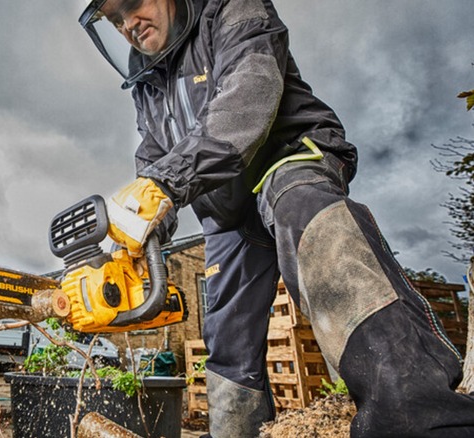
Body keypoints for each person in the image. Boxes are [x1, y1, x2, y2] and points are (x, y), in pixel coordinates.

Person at [77, 0, 474, 436]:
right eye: (115, 19)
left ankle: (417, 417)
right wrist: (137, 233)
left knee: (308, 218)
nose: (127, 24)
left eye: (132, 4)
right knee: (226, 335)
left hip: (286, 155)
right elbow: (154, 159)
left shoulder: (230, 9)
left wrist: (168, 182)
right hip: (226, 208)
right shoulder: (147, 80)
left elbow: (250, 93)